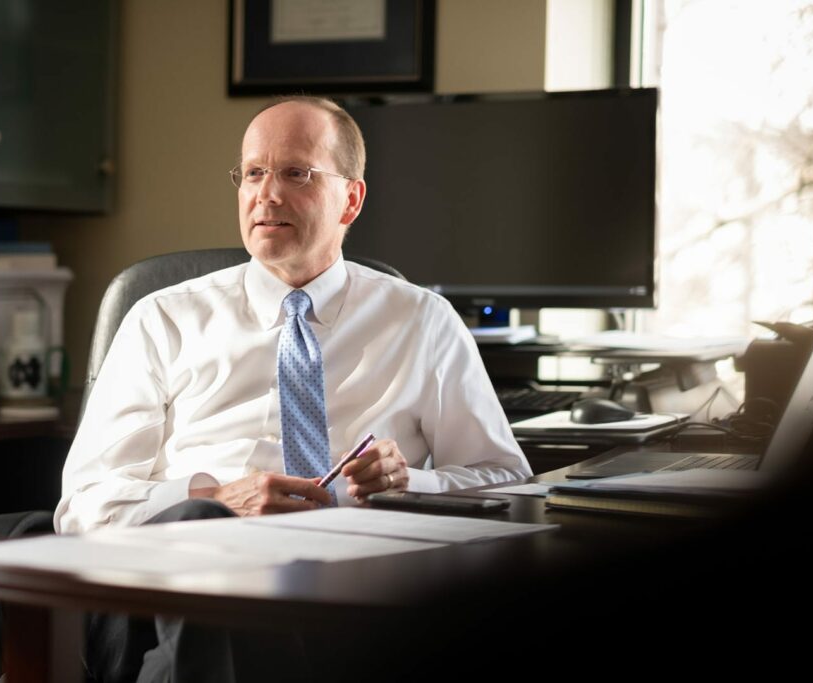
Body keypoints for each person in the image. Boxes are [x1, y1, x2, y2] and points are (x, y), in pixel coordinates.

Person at [55, 96, 532, 681]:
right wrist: (212, 500)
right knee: (207, 557)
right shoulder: (163, 320)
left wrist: (413, 482)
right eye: (253, 173)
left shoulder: (423, 322)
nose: (267, 194)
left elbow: (507, 483)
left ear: (350, 200)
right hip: (189, 588)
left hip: (358, 587)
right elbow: (82, 508)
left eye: (296, 174)